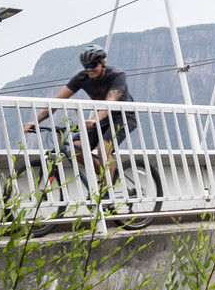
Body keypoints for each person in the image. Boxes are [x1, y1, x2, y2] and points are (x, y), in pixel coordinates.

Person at [22, 46, 135, 190]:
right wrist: (36, 121)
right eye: (85, 66)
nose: (89, 69)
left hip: (123, 116)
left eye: (93, 65)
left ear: (103, 63)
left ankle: (106, 193)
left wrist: (95, 120)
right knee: (76, 149)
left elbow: (111, 100)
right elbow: (57, 101)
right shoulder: (82, 77)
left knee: (103, 147)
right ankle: (107, 179)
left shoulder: (116, 75)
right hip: (101, 118)